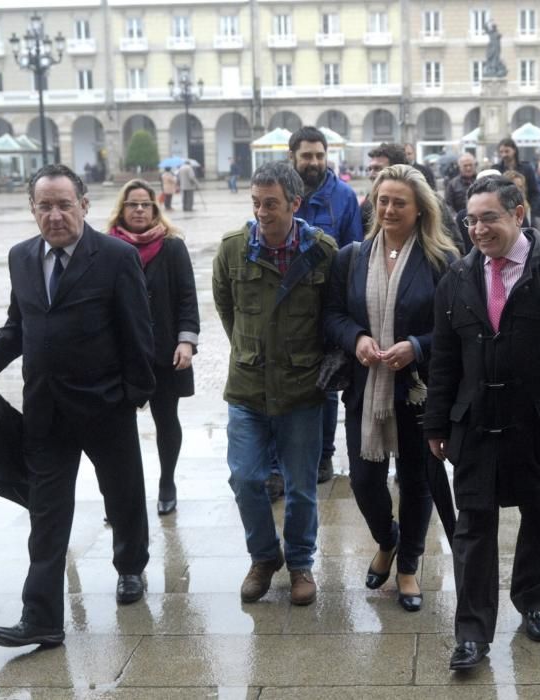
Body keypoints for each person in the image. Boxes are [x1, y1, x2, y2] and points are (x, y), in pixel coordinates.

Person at [0, 164, 155, 647]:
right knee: (46, 513)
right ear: (32, 209)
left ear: (84, 206)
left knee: (123, 492)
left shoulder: (114, 257)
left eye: (64, 205)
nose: (54, 215)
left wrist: (133, 396)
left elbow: (138, 331)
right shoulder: (21, 257)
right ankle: (43, 618)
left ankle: (130, 566)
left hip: (104, 405)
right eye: (44, 206)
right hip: (45, 410)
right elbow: (19, 322)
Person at [425, 175, 540, 671]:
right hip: (477, 424)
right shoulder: (457, 279)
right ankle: (471, 632)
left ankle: (531, 599)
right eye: (471, 219)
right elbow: (444, 359)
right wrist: (436, 423)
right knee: (473, 528)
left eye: (489, 217)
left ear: (518, 214)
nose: (478, 229)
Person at [323, 164, 459, 613]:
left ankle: (408, 566)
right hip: (367, 391)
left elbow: (458, 328)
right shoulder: (352, 256)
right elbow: (334, 318)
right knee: (364, 482)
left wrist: (417, 346)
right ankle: (388, 539)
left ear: (421, 209)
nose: (388, 209)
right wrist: (357, 339)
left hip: (419, 391)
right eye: (382, 200)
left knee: (418, 483)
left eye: (399, 202)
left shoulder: (442, 261)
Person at [212, 161, 337, 606]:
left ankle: (300, 562)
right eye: (256, 203)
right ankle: (264, 557)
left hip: (302, 391)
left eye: (271, 204)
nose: (262, 213)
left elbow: (334, 316)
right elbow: (226, 311)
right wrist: (251, 350)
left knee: (302, 486)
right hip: (247, 389)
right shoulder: (232, 249)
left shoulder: (323, 250)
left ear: (294, 204)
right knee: (246, 478)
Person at [106, 179, 199, 514]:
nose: (140, 210)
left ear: (155, 207)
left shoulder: (172, 246)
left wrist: (186, 341)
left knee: (166, 418)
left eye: (146, 204)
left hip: (163, 352)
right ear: (123, 209)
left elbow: (187, 296)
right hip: (121, 355)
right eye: (133, 204)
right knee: (118, 428)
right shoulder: (106, 247)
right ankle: (120, 493)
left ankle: (167, 481)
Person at [282, 126, 362, 488]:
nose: (313, 162)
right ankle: (281, 456)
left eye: (319, 155)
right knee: (284, 380)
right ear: (293, 158)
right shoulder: (280, 192)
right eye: (306, 156)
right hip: (287, 306)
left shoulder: (343, 196)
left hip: (327, 304)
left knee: (327, 384)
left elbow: (354, 250)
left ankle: (324, 455)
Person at [361, 142, 410, 231]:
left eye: (377, 169)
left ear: (396, 170)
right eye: (369, 169)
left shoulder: (424, 201)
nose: (371, 175)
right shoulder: (368, 202)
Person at [495, 138, 538, 210]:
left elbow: (533, 191)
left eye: (507, 151)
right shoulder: (496, 169)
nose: (504, 155)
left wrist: (531, 208)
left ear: (514, 150)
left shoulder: (527, 168)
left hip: (523, 209)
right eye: (501, 152)